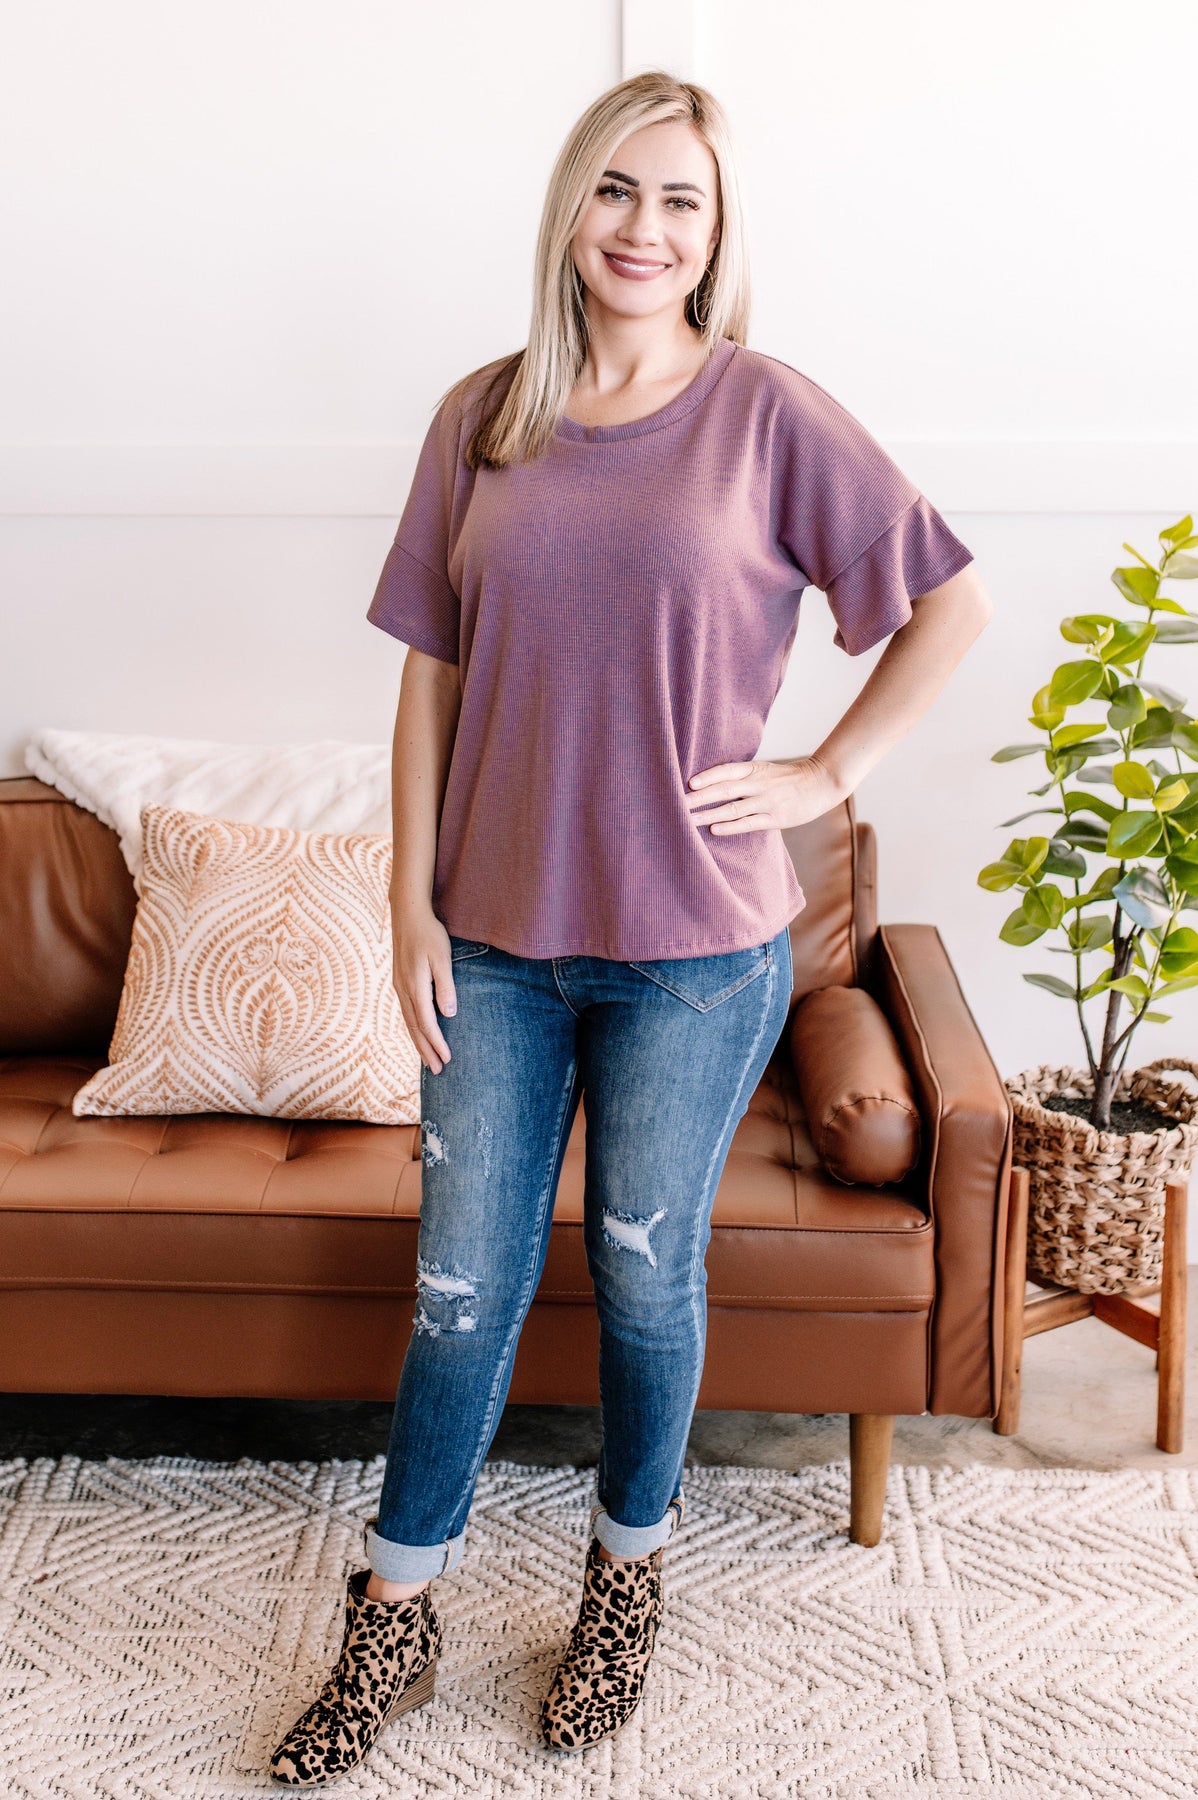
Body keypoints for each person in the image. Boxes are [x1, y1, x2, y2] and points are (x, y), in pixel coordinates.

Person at [268, 67, 992, 1788]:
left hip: (694, 951)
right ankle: (395, 1612)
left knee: (646, 1279)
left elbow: (948, 601)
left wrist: (826, 770)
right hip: (492, 944)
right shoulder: (483, 416)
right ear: (568, 206)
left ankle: (624, 1581)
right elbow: (429, 678)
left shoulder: (765, 413)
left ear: (717, 231)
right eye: (615, 190)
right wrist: (405, 900)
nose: (642, 228)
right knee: (460, 1292)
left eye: (679, 200)